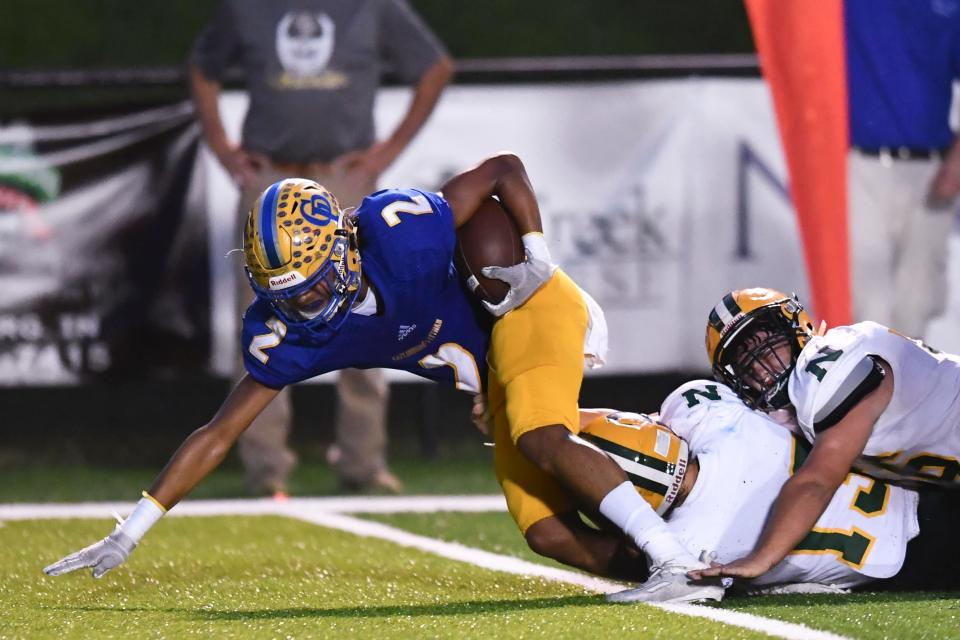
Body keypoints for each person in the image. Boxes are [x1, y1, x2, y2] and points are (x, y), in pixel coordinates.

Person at [42, 154, 713, 603]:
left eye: (307, 289)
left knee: (543, 437)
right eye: (286, 294)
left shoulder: (398, 232)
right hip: (494, 360)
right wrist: (132, 528)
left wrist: (534, 255)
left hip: (529, 305)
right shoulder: (294, 331)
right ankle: (708, 573)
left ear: (341, 245)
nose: (300, 306)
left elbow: (503, 172)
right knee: (544, 529)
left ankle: (672, 559)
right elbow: (219, 433)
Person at [189, 0, 454, 495]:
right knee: (262, 319)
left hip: (343, 179)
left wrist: (385, 153)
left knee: (368, 311)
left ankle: (363, 463)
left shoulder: (373, 6)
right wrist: (224, 148)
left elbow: (435, 67)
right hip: (270, 180)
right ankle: (265, 471)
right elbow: (203, 70)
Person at [691, 287, 960, 583]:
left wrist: (760, 559)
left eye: (767, 344)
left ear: (797, 326)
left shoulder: (826, 365)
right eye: (746, 362)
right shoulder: (790, 410)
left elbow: (817, 481)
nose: (761, 366)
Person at [575, 379, 921, 602]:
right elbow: (603, 422)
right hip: (915, 478)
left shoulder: (688, 544)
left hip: (901, 566)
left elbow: (563, 543)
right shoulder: (705, 411)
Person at [844, 0, 960, 338]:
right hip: (859, 163)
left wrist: (957, 161)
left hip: (931, 167)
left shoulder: (947, 6)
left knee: (918, 300)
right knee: (866, 298)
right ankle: (866, 387)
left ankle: (908, 388)